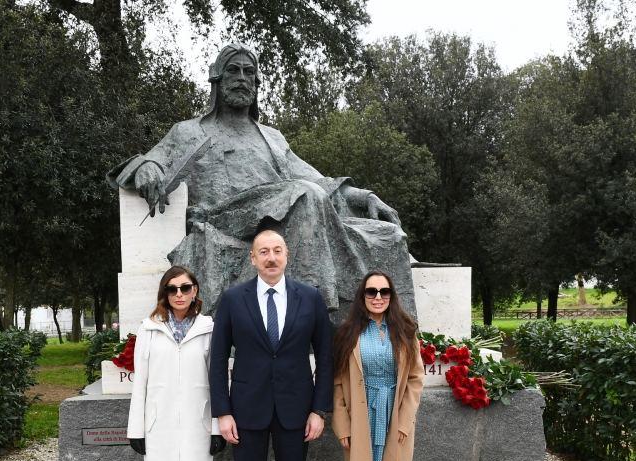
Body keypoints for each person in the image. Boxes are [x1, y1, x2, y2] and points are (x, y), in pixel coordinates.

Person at [108, 42, 417, 321]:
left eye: (249, 72)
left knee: (387, 234)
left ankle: (396, 330)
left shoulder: (271, 136)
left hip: (280, 216)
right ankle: (309, 314)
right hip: (225, 219)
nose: (242, 77)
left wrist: (364, 196)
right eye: (233, 70)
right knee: (305, 196)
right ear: (217, 80)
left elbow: (313, 177)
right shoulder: (189, 131)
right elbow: (151, 160)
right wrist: (148, 167)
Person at [209, 229, 333, 461]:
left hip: (297, 413)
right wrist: (223, 412)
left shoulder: (309, 298)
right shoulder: (233, 299)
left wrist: (319, 410)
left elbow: (324, 358)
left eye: (277, 250)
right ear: (253, 258)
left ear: (287, 255)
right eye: (263, 251)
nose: (271, 257)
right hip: (246, 413)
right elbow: (218, 361)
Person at [127, 266, 226, 461]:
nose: (179, 294)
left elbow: (218, 380)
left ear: (195, 290)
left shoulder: (210, 328)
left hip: (198, 420)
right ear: (164, 294)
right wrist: (136, 429)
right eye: (172, 289)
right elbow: (140, 381)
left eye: (185, 288)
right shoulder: (149, 329)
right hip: (159, 422)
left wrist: (215, 426)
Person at [331, 271, 424, 461]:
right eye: (371, 291)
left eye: (384, 291)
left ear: (391, 295)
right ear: (362, 296)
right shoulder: (348, 333)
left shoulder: (406, 332)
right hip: (360, 417)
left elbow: (415, 379)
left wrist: (406, 421)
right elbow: (338, 383)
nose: (378, 297)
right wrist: (342, 424)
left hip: (394, 418)